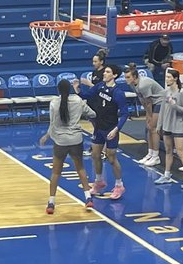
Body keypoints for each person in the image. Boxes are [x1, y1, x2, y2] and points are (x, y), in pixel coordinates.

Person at [38, 78, 95, 214]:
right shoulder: (77, 100)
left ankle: (51, 203)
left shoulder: (54, 103)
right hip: (76, 139)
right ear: (69, 89)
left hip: (61, 142)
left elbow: (52, 124)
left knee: (56, 172)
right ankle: (88, 198)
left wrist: (46, 136)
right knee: (80, 168)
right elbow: (92, 113)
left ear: (58, 90)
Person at [80, 64, 130, 200]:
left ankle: (119, 185)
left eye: (108, 72)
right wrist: (77, 89)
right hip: (98, 126)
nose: (104, 73)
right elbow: (87, 95)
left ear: (114, 75)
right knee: (95, 155)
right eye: (105, 71)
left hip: (110, 128)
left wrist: (116, 129)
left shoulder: (118, 93)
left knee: (112, 158)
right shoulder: (100, 86)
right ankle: (99, 181)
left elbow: (125, 114)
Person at [154, 68, 183, 189]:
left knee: (180, 152)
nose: (166, 79)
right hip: (167, 125)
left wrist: (174, 105)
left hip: (177, 126)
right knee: (168, 151)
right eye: (166, 77)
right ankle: (167, 175)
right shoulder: (166, 92)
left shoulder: (182, 93)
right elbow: (162, 109)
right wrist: (159, 124)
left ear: (175, 79)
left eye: (169, 77)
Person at [126, 64, 164, 167]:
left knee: (153, 128)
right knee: (148, 127)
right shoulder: (133, 85)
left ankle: (156, 157)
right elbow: (142, 99)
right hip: (151, 102)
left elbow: (148, 102)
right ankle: (150, 153)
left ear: (134, 77)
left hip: (161, 101)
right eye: (125, 77)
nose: (126, 80)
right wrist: (147, 115)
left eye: (128, 77)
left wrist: (149, 116)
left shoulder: (143, 85)